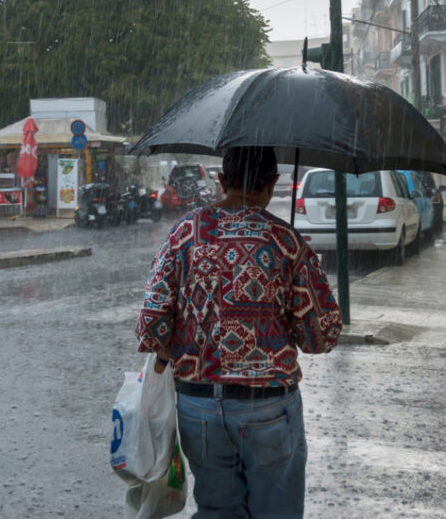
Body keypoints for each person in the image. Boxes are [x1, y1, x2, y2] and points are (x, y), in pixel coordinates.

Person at [135, 146, 342, 518]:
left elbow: (151, 327)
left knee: (216, 511)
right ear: (271, 183)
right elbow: (322, 336)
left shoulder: (185, 233)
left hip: (198, 409)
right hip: (268, 408)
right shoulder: (285, 241)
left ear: (222, 180)